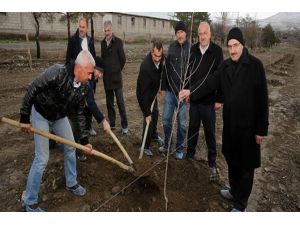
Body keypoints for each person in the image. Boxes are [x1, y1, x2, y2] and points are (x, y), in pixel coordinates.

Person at [179, 27, 269, 212]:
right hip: (231, 124)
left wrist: (261, 129)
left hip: (248, 127)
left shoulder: (255, 66)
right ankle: (235, 191)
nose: (233, 50)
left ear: (243, 45)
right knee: (232, 159)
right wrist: (191, 91)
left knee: (245, 166)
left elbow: (262, 99)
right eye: (229, 46)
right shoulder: (226, 66)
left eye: (236, 45)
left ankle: (241, 204)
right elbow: (210, 82)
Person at [19, 50, 96, 212]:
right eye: (89, 73)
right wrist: (25, 117)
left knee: (71, 146)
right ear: (79, 68)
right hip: (41, 113)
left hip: (59, 116)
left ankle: (71, 182)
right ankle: (29, 201)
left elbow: (80, 114)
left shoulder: (84, 87)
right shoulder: (57, 73)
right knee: (42, 158)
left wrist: (85, 142)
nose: (90, 77)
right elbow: (33, 87)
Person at [186, 22, 223, 179]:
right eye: (200, 33)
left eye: (205, 33)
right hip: (194, 100)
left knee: (210, 132)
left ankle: (212, 163)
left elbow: (221, 77)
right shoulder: (193, 50)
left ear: (210, 34)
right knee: (192, 128)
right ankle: (189, 155)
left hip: (209, 101)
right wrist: (188, 93)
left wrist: (220, 99)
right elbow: (188, 73)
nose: (202, 36)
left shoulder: (217, 52)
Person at [68, 56, 111, 161]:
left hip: (74, 106)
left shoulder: (91, 81)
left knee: (78, 122)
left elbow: (88, 103)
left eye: (102, 74)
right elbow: (91, 103)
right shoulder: (84, 79)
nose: (100, 76)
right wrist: (103, 120)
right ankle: (76, 151)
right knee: (74, 127)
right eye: (99, 72)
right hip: (67, 106)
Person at [160, 21, 190, 160]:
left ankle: (179, 148)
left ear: (186, 33)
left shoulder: (191, 49)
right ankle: (167, 145)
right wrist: (163, 88)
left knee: (182, 124)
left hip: (183, 94)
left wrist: (189, 91)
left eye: (181, 32)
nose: (179, 35)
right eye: (177, 32)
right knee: (166, 120)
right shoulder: (171, 48)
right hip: (171, 92)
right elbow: (165, 69)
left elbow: (192, 72)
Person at [66, 17, 97, 136]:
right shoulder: (73, 40)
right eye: (80, 27)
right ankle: (78, 129)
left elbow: (93, 58)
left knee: (90, 102)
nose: (81, 29)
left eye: (83, 27)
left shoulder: (90, 40)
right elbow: (68, 59)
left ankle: (88, 126)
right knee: (78, 104)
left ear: (87, 28)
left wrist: (94, 74)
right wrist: (78, 66)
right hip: (78, 77)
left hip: (89, 77)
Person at [136, 40, 165, 157]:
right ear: (151, 52)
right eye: (155, 56)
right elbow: (141, 94)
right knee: (149, 118)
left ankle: (153, 135)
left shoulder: (161, 58)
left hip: (153, 91)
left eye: (160, 56)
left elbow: (162, 72)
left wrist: (161, 88)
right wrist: (146, 112)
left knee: (156, 113)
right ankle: (146, 145)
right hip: (145, 94)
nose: (158, 58)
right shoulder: (145, 68)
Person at [101, 20, 128, 134]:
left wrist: (117, 69)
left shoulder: (118, 42)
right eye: (105, 30)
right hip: (107, 79)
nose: (107, 32)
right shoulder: (102, 43)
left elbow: (123, 59)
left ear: (112, 30)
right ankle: (112, 124)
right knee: (109, 103)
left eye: (109, 30)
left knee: (120, 103)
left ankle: (124, 125)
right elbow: (102, 59)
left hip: (116, 78)